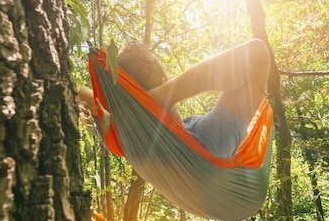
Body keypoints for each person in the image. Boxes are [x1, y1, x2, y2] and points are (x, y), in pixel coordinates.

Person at [78, 39, 270, 159]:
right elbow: (257, 53)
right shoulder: (209, 141)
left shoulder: (119, 136)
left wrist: (133, 103)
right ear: (165, 82)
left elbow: (75, 89)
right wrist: (162, 96)